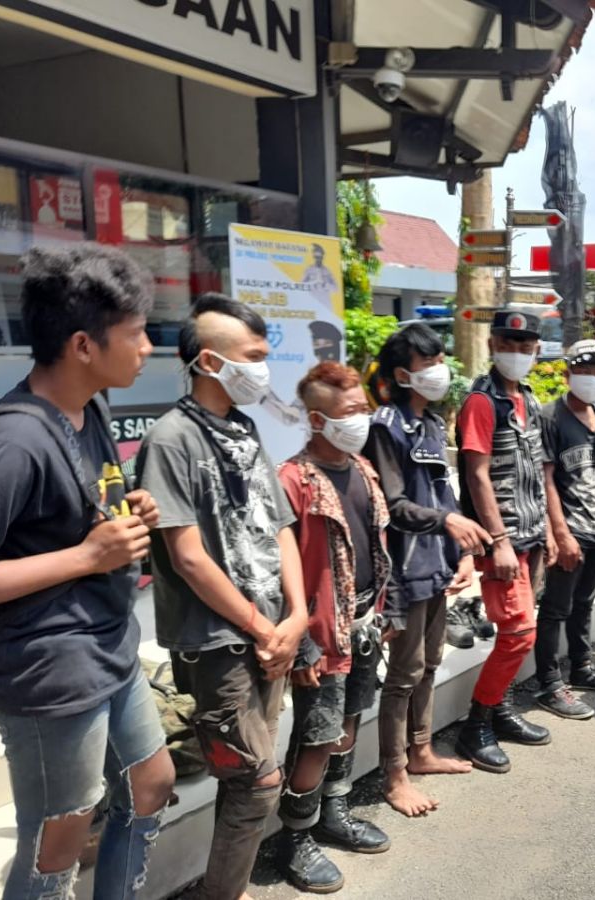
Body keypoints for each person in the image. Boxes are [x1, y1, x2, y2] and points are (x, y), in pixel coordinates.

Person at [0, 245, 175, 899]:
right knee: (56, 844)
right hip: (50, 669)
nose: (148, 348)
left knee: (152, 782)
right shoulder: (14, 440)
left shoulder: (89, 407)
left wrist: (128, 510)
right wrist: (88, 557)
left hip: (108, 645)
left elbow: (82, 510)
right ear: (83, 345)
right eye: (136, 333)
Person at [137, 294, 308, 900]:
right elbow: (187, 557)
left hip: (272, 636)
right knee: (256, 781)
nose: (263, 370)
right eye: (253, 357)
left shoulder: (245, 429)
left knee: (247, 779)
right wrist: (264, 628)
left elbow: (281, 528)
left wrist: (298, 615)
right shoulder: (171, 438)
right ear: (210, 362)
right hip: (218, 644)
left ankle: (225, 888)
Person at [364, 323, 490, 815]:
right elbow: (393, 506)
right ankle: (394, 775)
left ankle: (421, 751)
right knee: (403, 674)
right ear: (402, 374)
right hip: (403, 570)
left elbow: (444, 494)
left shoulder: (433, 424)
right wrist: (448, 523)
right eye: (429, 363)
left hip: (436, 564)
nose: (440, 371)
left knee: (430, 664)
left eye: (441, 360)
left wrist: (462, 552)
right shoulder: (385, 426)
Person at [275, 362, 392, 893]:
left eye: (364, 408)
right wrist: (301, 645)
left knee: (348, 724)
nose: (361, 419)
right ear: (318, 419)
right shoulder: (293, 481)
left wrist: (384, 610)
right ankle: (295, 838)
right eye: (350, 411)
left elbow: (376, 545)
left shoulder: (362, 469)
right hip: (321, 639)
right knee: (316, 737)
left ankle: (333, 812)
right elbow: (279, 572)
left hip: (362, 623)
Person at [453, 309, 553, 773]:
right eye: (507, 345)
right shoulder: (482, 401)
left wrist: (549, 531)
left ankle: (501, 709)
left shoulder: (527, 397)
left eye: (525, 346)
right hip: (504, 539)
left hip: (531, 535)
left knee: (521, 630)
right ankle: (476, 726)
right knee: (518, 633)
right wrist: (498, 541)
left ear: (537, 350)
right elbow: (477, 475)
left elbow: (535, 472)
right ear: (492, 345)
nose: (516, 353)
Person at [534, 340, 595, 719]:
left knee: (585, 601)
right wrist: (560, 535)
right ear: (568, 373)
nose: (593, 379)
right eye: (585, 371)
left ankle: (582, 667)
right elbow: (545, 480)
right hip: (570, 531)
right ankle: (549, 684)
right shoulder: (550, 417)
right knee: (555, 607)